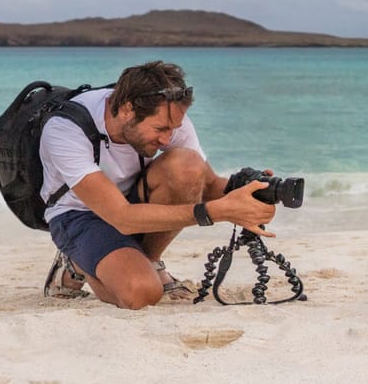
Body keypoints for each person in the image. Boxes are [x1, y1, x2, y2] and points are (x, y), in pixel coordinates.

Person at [39, 60, 278, 308]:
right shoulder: (65, 128)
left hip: (132, 199)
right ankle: (76, 262)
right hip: (79, 214)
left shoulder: (170, 117)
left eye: (172, 129)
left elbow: (208, 184)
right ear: (127, 110)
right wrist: (219, 212)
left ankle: (149, 260)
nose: (167, 139)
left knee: (187, 165)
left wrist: (253, 193)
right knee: (140, 294)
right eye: (160, 129)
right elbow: (121, 217)